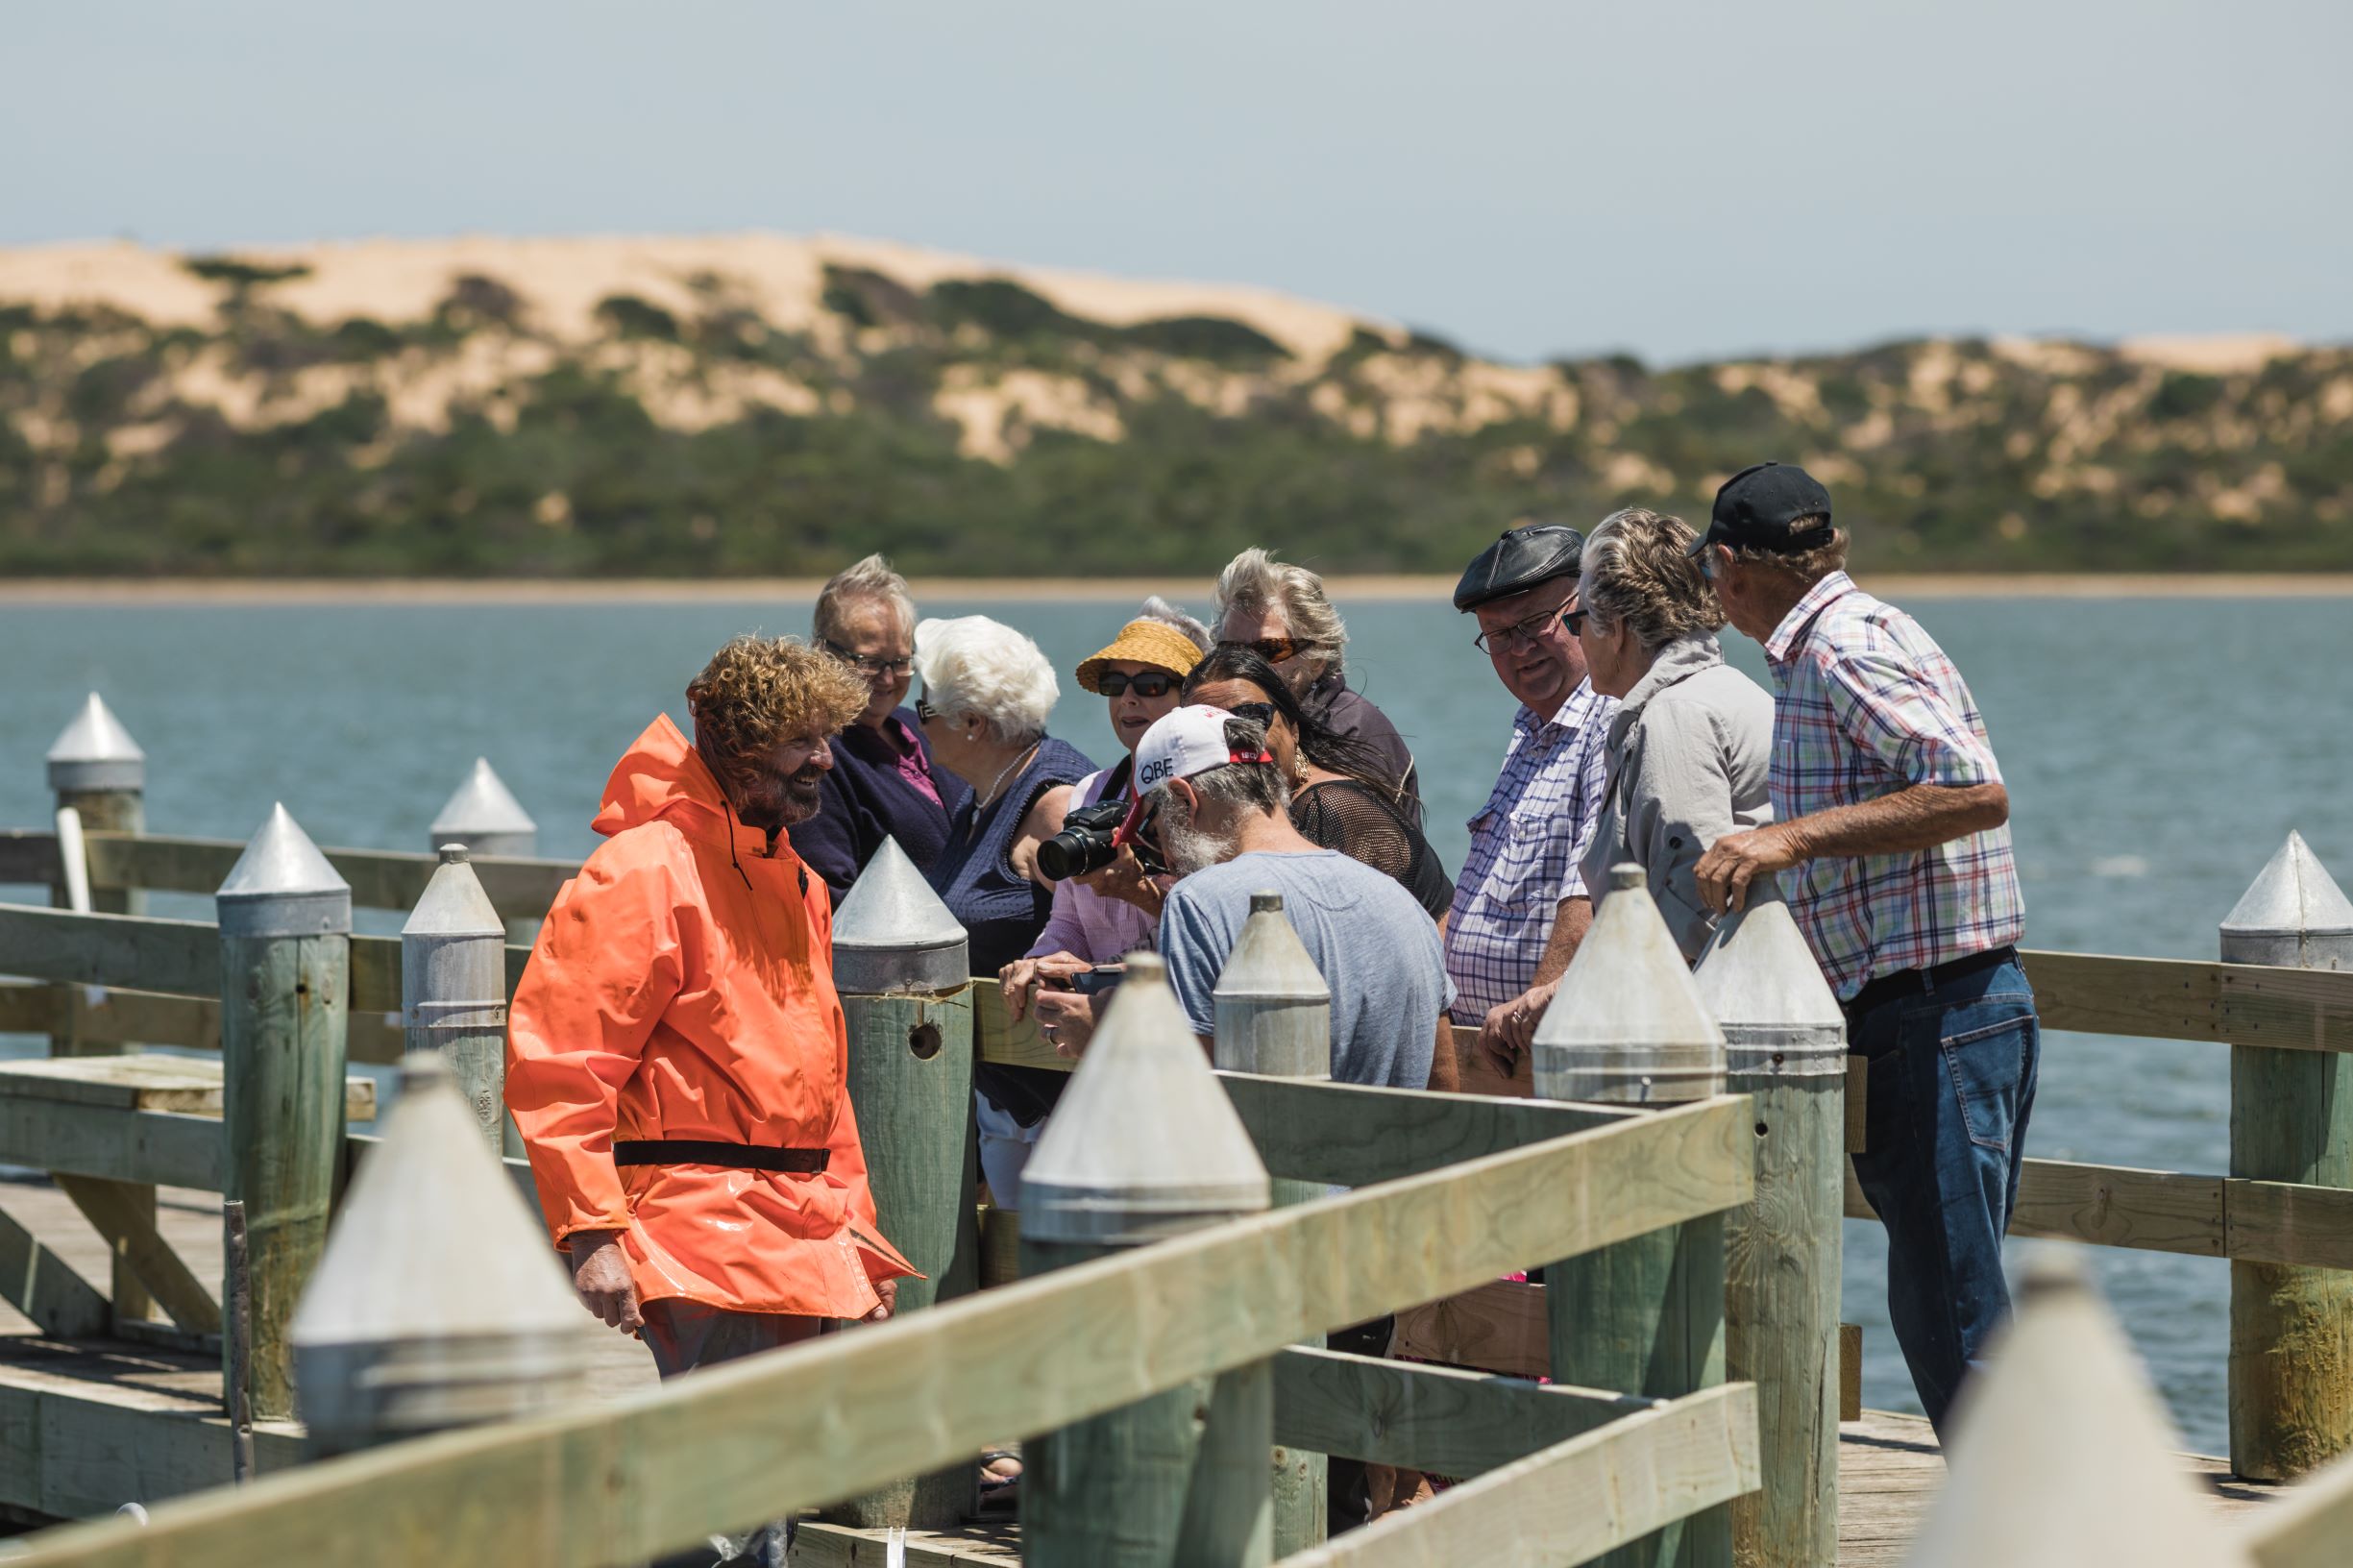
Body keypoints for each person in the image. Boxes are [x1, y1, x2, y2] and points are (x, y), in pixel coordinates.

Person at [505, 635, 916, 1567]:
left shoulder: (797, 878)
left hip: (799, 1232)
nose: (824, 759)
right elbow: (562, 1063)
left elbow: (821, 1085)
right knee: (723, 1506)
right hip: (696, 1229)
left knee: (765, 1494)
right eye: (801, 740)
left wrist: (853, 1226)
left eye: (829, 737)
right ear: (735, 742)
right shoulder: (641, 873)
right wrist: (592, 1232)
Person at [1688, 460, 2036, 1433]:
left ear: (1729, 565)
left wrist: (1786, 838)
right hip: (1948, 1007)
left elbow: (1973, 790)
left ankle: (2027, 1525)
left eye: (1712, 577)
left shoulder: (1838, 648)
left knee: (1952, 1307)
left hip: (1936, 1013)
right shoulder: (1857, 629)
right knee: (1947, 1296)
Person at [988, 601, 1203, 1199]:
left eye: (1151, 684)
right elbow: (1067, 926)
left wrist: (1141, 893)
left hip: (1186, 1054)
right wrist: (1042, 962)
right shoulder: (1090, 792)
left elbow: (1220, 940)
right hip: (1104, 1060)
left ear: (1191, 697)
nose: (1129, 700)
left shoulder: (1214, 795)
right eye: (1116, 685)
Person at [1134, 704, 1458, 1090]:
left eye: (1152, 834)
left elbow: (1195, 1095)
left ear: (1185, 801)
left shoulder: (1197, 901)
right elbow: (1444, 1085)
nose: (1165, 858)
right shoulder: (1403, 904)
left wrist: (1106, 1033)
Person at [914, 614, 1096, 1206]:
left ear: (970, 722)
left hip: (1059, 1098)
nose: (916, 725)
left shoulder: (1054, 805)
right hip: (1003, 1095)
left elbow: (1110, 935)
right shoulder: (978, 797)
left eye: (924, 711)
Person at [1445, 525, 1618, 1076]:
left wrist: (1539, 1011)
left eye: (1536, 623)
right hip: (1496, 1049)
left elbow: (1590, 889)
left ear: (1585, 608)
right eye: (1498, 635)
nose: (1521, 650)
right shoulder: (1531, 725)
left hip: (1542, 1052)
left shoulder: (1609, 719)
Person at [1573, 507, 1776, 963]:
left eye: (1576, 621)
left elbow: (1694, 906)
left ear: (1617, 626)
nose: (1576, 638)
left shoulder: (1675, 715)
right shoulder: (1718, 692)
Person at [1182, 644, 1453, 922]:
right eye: (1208, 730)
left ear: (1292, 727)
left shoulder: (1329, 808)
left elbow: (1347, 943)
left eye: (1251, 717)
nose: (1238, 741)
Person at [796, 553, 971, 904]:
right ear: (820, 652)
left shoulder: (918, 727)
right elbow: (830, 898)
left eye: (902, 661)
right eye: (870, 661)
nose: (888, 678)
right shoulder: (815, 758)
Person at [1214, 548, 1421, 823]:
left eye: (1269, 649)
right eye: (1231, 651)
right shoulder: (1232, 720)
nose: (1245, 666)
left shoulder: (1353, 733)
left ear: (1318, 657)